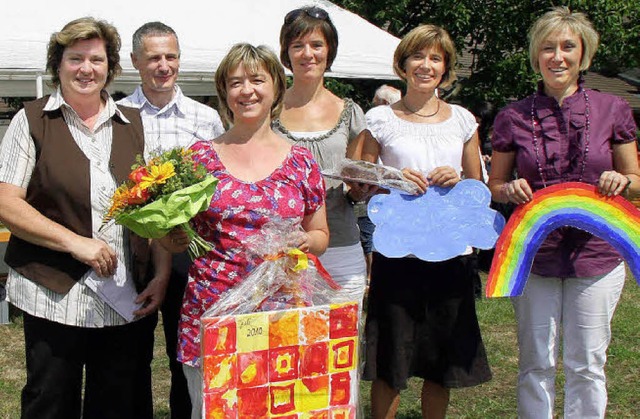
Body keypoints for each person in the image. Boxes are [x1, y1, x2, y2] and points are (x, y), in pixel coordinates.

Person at [0, 17, 159, 419]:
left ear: (110, 67)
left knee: (119, 404)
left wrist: (159, 275)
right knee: (51, 403)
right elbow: (7, 204)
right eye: (75, 58)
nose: (86, 68)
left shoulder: (136, 126)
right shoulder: (31, 121)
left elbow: (156, 213)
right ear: (58, 64)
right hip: (53, 295)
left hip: (124, 299)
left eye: (96, 59)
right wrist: (75, 243)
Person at [160, 43, 330, 419]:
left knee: (279, 408)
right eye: (236, 82)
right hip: (213, 311)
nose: (247, 90)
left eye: (257, 80)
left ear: (275, 88)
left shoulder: (301, 161)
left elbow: (320, 234)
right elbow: (172, 232)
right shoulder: (197, 159)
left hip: (282, 313)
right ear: (225, 93)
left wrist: (307, 241)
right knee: (214, 409)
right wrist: (170, 237)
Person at [488, 7, 639, 418]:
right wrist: (509, 188)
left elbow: (636, 178)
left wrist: (621, 182)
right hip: (536, 257)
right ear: (537, 56)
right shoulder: (512, 116)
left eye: (567, 47)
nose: (558, 56)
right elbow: (494, 185)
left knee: (587, 363)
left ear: (583, 54)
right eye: (548, 48)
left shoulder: (613, 110)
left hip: (597, 258)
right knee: (536, 361)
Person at [354, 24, 492, 418]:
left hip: (452, 255)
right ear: (403, 64)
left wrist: (459, 178)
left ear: (446, 67)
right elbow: (360, 182)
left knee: (440, 363)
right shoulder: (380, 118)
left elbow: (477, 189)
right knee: (389, 363)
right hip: (398, 255)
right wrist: (392, 179)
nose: (425, 65)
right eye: (418, 56)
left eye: (435, 58)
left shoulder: (463, 120)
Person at [118, 21, 225, 419]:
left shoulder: (207, 118)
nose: (164, 66)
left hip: (189, 252)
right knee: (130, 356)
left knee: (186, 354)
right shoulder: (119, 116)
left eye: (171, 57)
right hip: (133, 250)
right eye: (153, 58)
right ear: (135, 62)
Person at [273, 6, 367, 300]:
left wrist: (361, 189)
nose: (307, 54)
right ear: (286, 53)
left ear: (329, 50)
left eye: (316, 45)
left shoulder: (350, 113)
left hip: (342, 248)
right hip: (280, 251)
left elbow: (356, 184)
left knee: (342, 343)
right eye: (297, 46)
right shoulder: (268, 111)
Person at [354, 84, 402, 284]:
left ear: (382, 102)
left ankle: (372, 278)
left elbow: (366, 166)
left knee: (371, 238)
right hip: (391, 194)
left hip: (379, 195)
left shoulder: (377, 117)